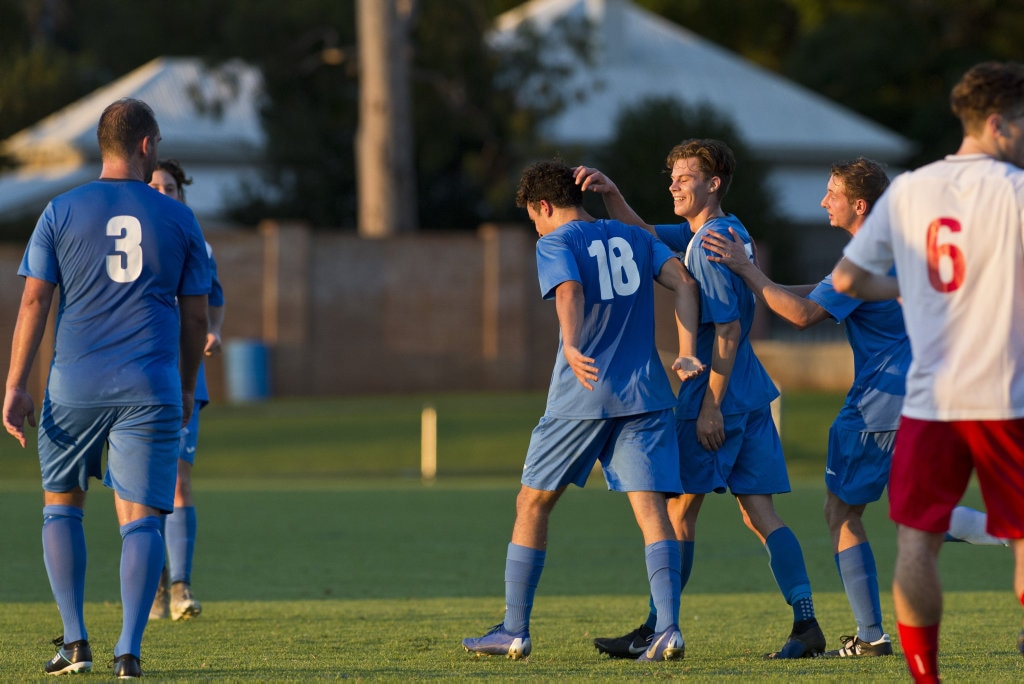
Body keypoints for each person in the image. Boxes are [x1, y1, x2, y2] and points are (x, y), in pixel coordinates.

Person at [700, 157, 1005, 661]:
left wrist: (746, 269)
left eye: (831, 193)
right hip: (932, 399)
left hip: (878, 407)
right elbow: (819, 295)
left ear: (858, 205)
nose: (823, 201)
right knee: (919, 511)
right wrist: (757, 289)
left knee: (843, 510)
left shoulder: (864, 258)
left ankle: (871, 635)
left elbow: (802, 315)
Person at [576, 139, 826, 659]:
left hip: (717, 391)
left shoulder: (711, 246)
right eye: (672, 176)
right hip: (752, 392)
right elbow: (643, 235)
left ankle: (657, 625)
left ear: (713, 184)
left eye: (684, 176)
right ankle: (806, 625)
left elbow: (729, 329)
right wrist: (612, 194)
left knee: (675, 512)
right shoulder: (718, 233)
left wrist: (710, 403)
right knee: (759, 512)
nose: (673, 184)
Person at [461, 160, 705, 662]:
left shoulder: (555, 242)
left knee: (532, 504)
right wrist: (684, 349)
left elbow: (569, 290)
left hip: (582, 395)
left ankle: (513, 629)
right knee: (652, 511)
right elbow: (684, 281)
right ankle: (669, 629)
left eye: (533, 216)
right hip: (645, 396)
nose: (536, 226)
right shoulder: (632, 236)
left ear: (544, 207)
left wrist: (571, 344)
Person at [2, 98, 210, 678]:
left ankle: (75, 642)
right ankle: (129, 651)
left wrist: (16, 385)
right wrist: (187, 385)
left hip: (73, 388)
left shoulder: (60, 210)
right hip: (150, 387)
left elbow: (34, 301)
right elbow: (196, 320)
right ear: (147, 145)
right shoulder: (179, 218)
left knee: (60, 510)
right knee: (141, 520)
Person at [832, 61, 1024, 683]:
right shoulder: (1017, 192)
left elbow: (847, 281)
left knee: (917, 540)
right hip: (1005, 395)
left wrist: (910, 284)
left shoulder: (911, 189)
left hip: (928, 402)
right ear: (998, 122)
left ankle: (925, 676)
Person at [147, 159, 225, 622]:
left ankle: (180, 587)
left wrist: (212, 330)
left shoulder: (197, 243)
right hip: (130, 377)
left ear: (182, 196)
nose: (160, 193)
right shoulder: (122, 242)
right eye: (152, 185)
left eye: (170, 188)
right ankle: (152, 586)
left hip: (180, 376)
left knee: (177, 480)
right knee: (136, 487)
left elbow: (214, 299)